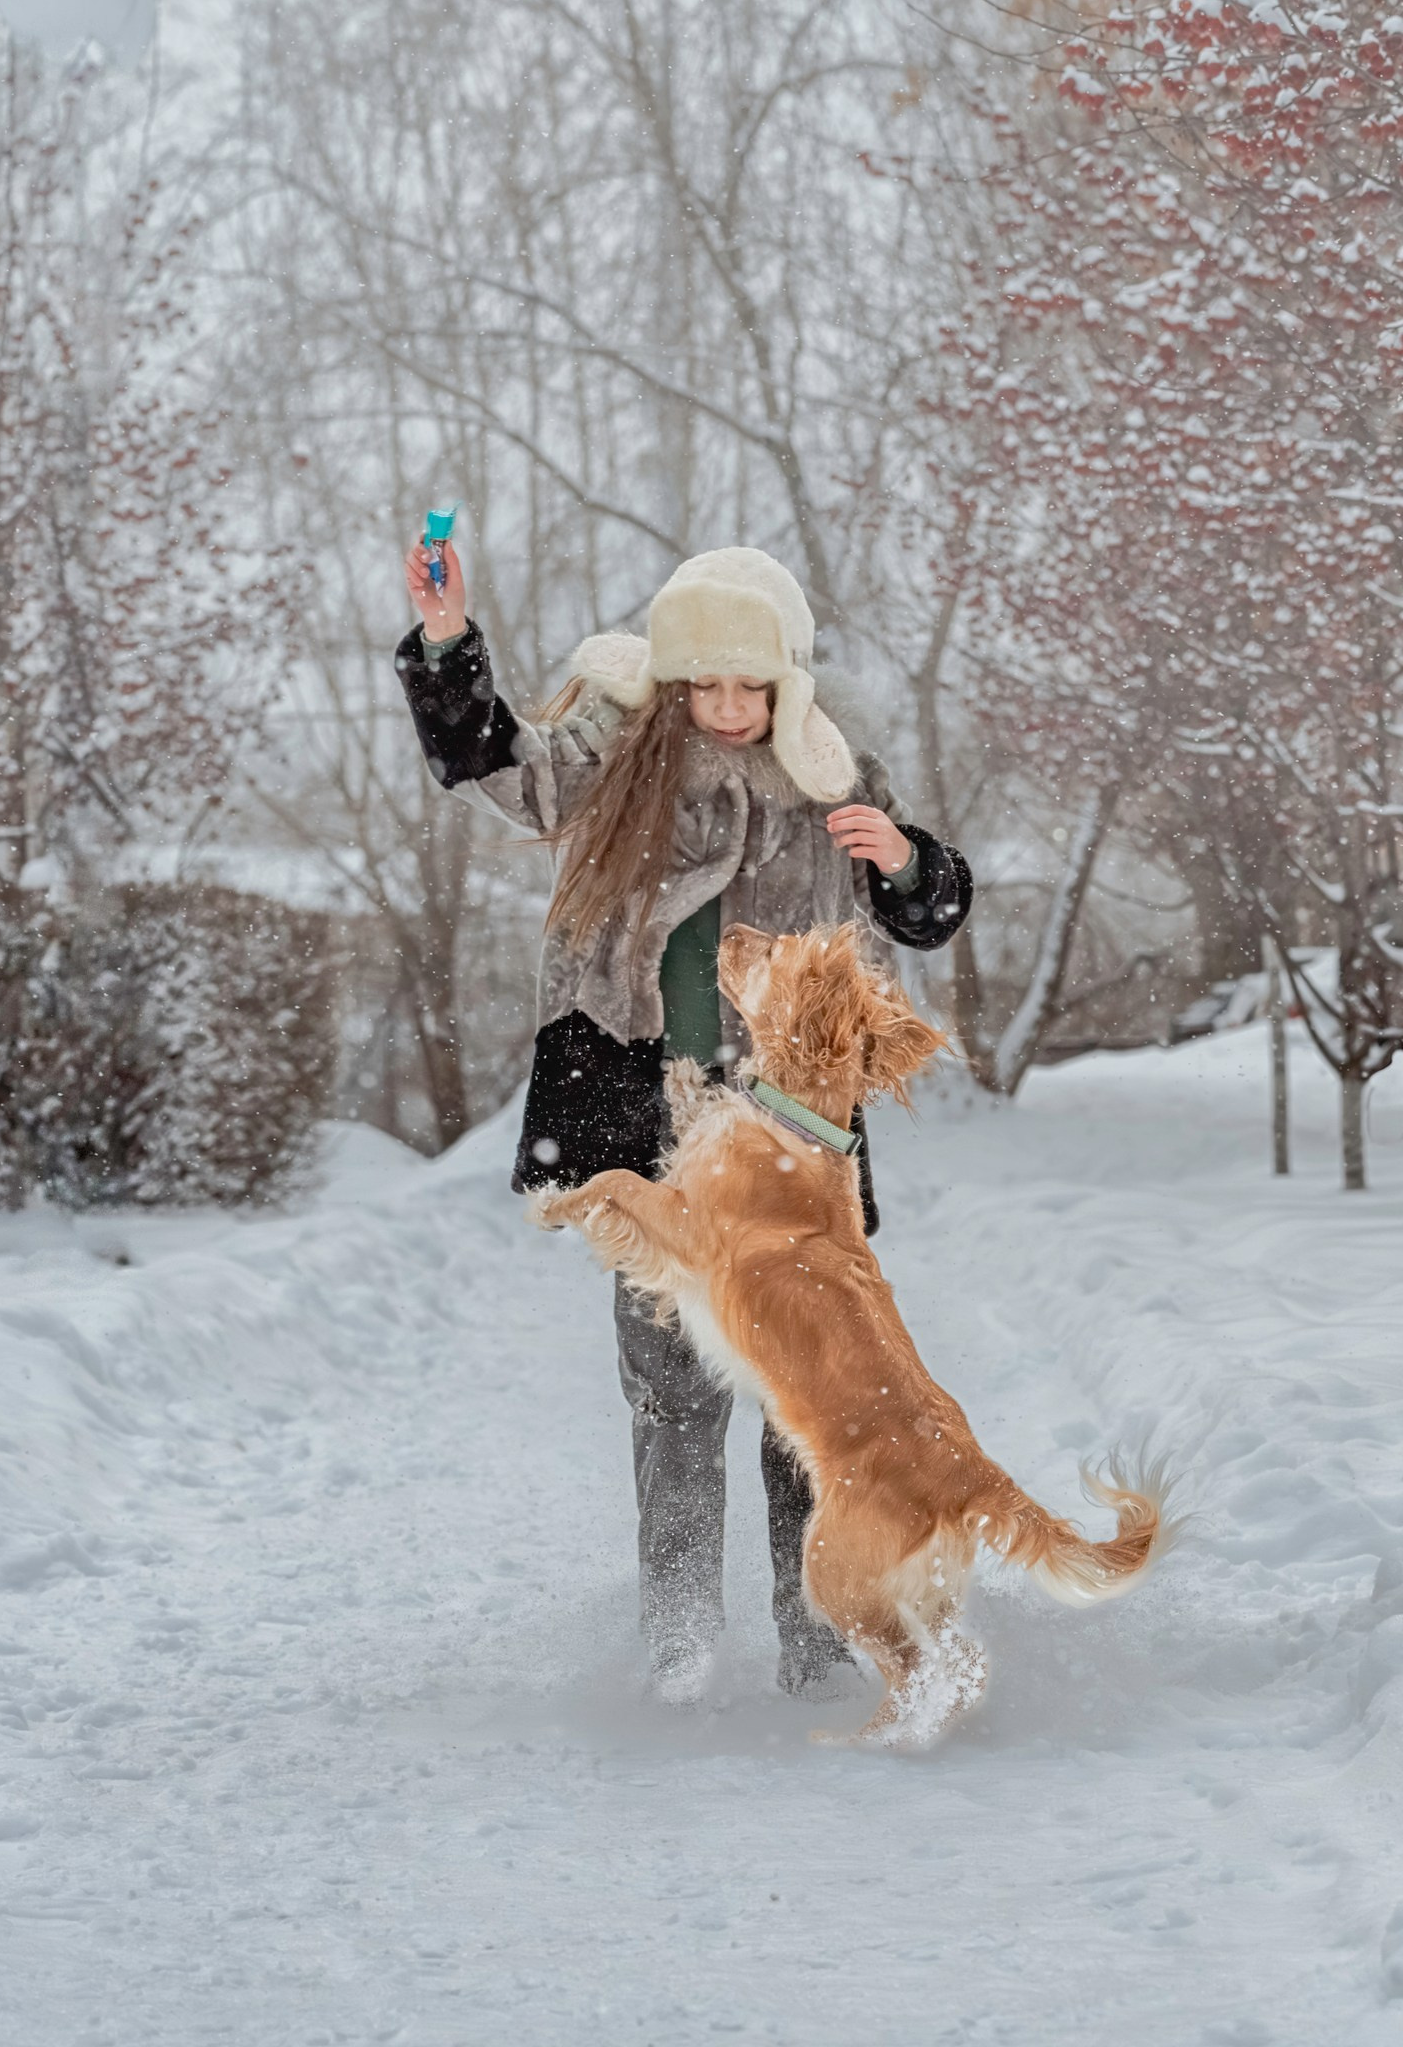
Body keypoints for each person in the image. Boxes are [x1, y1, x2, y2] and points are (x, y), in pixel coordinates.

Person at [397, 535, 974, 1705]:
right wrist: (451, 645)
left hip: (787, 1138)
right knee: (670, 1382)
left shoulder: (827, 773)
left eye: (746, 686)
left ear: (784, 685)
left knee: (800, 1394)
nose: (722, 707)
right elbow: (495, 762)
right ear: (671, 681)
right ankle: (678, 1638)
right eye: (702, 684)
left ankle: (814, 1636)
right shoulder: (618, 755)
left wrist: (906, 862)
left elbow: (930, 910)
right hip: (648, 1119)